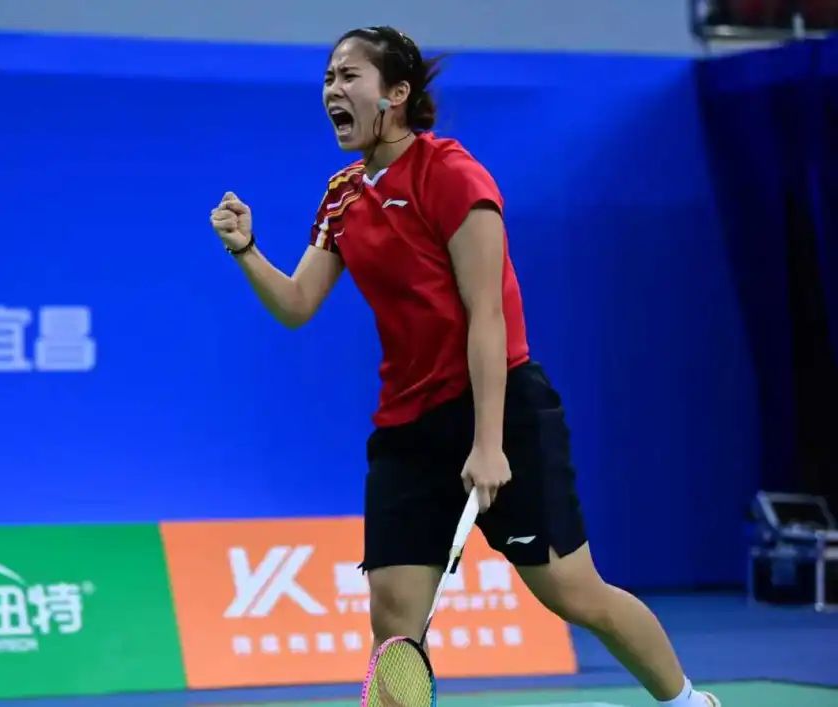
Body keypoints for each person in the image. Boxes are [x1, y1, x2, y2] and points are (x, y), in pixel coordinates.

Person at [209, 25, 720, 707]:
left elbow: (489, 315)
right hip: (407, 427)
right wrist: (246, 250)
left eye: (349, 76)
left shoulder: (451, 176)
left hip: (499, 408)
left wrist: (488, 443)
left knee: (572, 591)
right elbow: (298, 303)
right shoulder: (342, 196)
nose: (333, 89)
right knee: (394, 622)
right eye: (329, 77)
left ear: (396, 93)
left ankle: (687, 701)